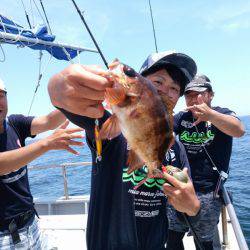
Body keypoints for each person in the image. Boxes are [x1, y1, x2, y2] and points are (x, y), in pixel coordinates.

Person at [48, 51, 201, 250]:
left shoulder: (175, 147)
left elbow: (186, 210)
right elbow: (78, 109)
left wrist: (193, 208)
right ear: (142, 84)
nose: (166, 91)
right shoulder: (111, 133)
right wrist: (58, 89)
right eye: (158, 82)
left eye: (174, 88)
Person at [0, 78, 84, 249]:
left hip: (32, 226)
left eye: (1, 95)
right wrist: (47, 143)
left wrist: (75, 98)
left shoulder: (15, 123)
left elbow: (48, 121)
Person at [167, 74, 245, 250]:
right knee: (172, 236)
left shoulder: (222, 113)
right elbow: (166, 131)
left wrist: (211, 116)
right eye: (189, 95)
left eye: (198, 93)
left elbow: (239, 130)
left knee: (203, 241)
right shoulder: (182, 117)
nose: (193, 99)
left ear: (210, 95)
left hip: (208, 191)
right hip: (181, 187)